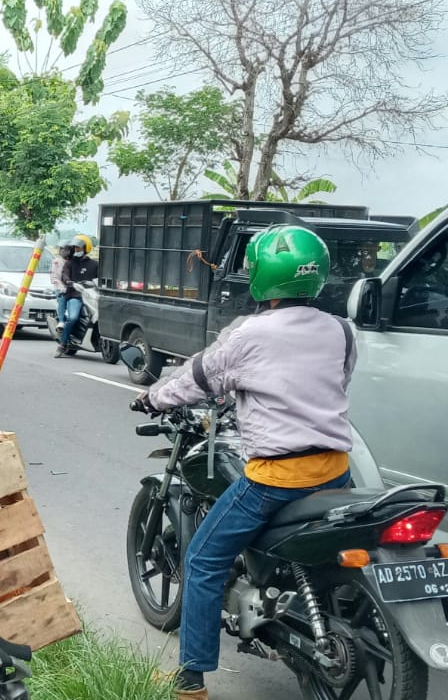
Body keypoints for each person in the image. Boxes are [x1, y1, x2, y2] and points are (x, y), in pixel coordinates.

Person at [132, 226, 354, 700]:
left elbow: (197, 377)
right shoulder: (341, 330)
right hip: (336, 469)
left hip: (279, 478)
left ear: (261, 275)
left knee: (203, 559)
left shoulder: (251, 332)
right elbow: (337, 380)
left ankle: (190, 679)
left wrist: (153, 398)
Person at [55, 235, 98, 358]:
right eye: (75, 248)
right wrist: (69, 282)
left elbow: (100, 279)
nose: (76, 250)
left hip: (92, 296)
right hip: (75, 295)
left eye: (79, 248)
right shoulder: (70, 263)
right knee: (73, 317)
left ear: (86, 248)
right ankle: (63, 344)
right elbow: (65, 275)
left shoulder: (94, 264)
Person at [52, 240, 73, 333]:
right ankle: (61, 321)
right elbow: (54, 277)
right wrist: (62, 287)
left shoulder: (74, 261)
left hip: (72, 287)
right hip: (60, 287)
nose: (63, 251)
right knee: (62, 299)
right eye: (61, 249)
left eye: (66, 249)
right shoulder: (57, 262)